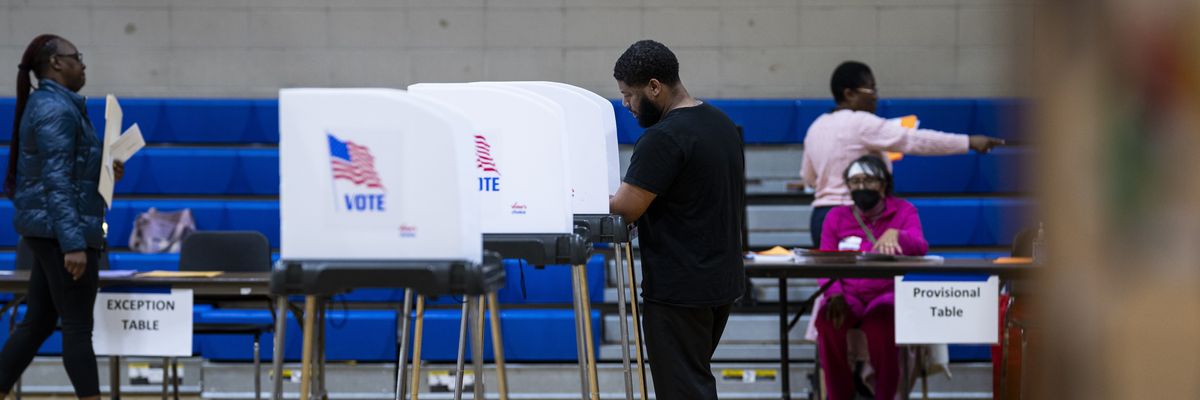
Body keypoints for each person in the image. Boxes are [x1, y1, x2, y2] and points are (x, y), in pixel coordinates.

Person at [609, 39, 745, 400]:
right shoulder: (722, 124)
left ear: (654, 87)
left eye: (629, 95)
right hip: (721, 283)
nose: (626, 105)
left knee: (683, 391)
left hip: (680, 289)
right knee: (694, 380)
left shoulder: (663, 137)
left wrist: (574, 196)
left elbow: (626, 207)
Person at [0, 34, 123, 400]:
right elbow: (55, 181)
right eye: (77, 57)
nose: (83, 64)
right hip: (61, 232)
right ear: (56, 63)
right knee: (77, 327)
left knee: (37, 323)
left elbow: (67, 169)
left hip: (50, 228)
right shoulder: (55, 108)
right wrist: (73, 244)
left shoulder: (58, 105)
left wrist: (104, 169)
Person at [801, 61, 1005, 248]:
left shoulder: (815, 127)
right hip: (854, 215)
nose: (875, 96)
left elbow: (809, 178)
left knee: (832, 283)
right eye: (870, 88)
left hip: (820, 218)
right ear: (849, 94)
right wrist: (967, 142)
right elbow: (915, 140)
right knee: (865, 284)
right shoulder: (861, 122)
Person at [815, 155, 927, 400]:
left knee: (883, 322)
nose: (861, 187)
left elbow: (920, 246)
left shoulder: (904, 210)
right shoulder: (835, 217)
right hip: (848, 292)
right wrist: (833, 294)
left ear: (884, 184)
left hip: (886, 291)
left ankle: (885, 395)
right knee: (827, 320)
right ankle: (839, 395)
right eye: (855, 181)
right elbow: (825, 262)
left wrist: (898, 235)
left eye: (868, 180)